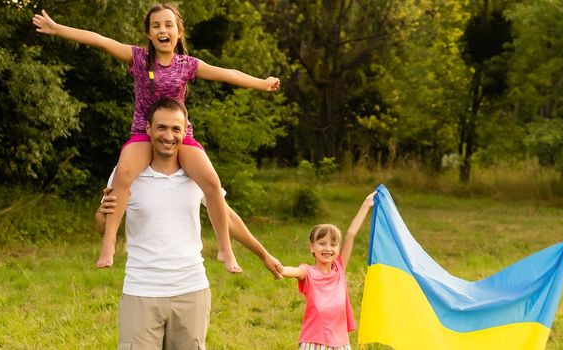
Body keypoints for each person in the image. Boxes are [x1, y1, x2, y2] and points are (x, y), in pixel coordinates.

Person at [33, 4, 281, 271]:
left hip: (178, 133)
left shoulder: (188, 65)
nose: (163, 30)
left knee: (211, 181)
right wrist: (58, 29)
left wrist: (261, 83)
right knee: (124, 173)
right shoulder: (139, 59)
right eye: (156, 26)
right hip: (143, 132)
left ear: (178, 31)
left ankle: (225, 250)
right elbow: (101, 41)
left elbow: (228, 74)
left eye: (168, 25)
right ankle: (109, 245)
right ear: (149, 34)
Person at [94, 98, 282, 348]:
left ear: (185, 131)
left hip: (191, 289)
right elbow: (102, 225)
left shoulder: (196, 174)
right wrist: (100, 213)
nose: (168, 136)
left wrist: (264, 255)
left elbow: (228, 218)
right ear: (148, 129)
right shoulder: (127, 172)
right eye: (161, 128)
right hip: (141, 289)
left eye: (175, 129)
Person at [278, 192, 376, 350]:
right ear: (312, 247)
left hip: (341, 342)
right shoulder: (308, 272)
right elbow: (295, 271)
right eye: (322, 243)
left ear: (338, 248)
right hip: (315, 342)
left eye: (333, 244)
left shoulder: (339, 268)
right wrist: (280, 269)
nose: (328, 248)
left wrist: (366, 204)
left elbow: (351, 234)